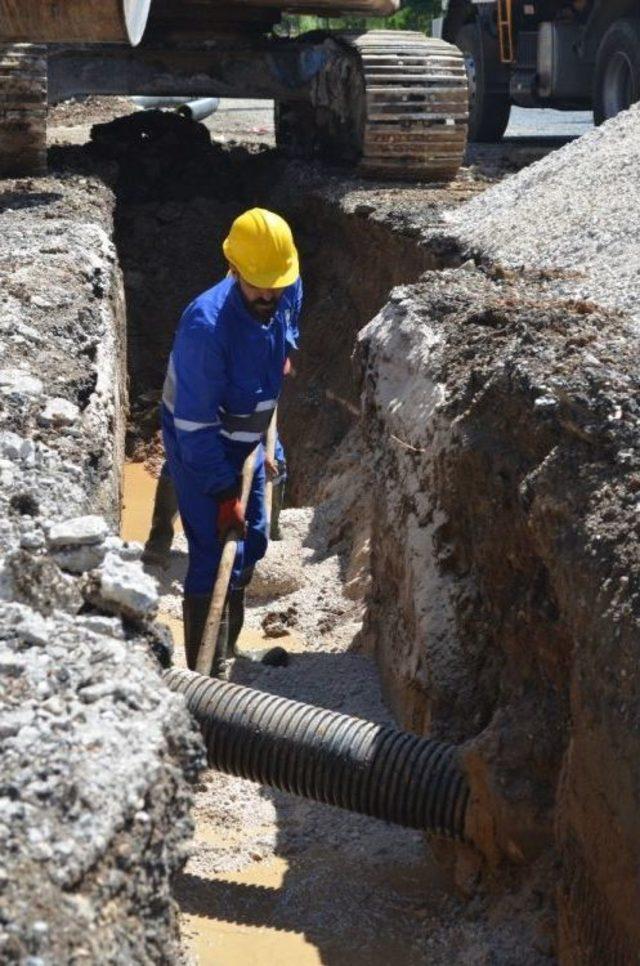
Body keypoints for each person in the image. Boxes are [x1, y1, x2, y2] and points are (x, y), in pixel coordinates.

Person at [159, 207, 302, 675]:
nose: (270, 294)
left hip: (250, 438)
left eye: (276, 284)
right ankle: (205, 673)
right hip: (203, 445)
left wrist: (283, 352)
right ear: (233, 268)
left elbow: (289, 324)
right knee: (213, 552)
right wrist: (223, 494)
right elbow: (195, 427)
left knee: (252, 542)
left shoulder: (282, 283)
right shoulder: (206, 328)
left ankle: (230, 651)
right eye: (258, 284)